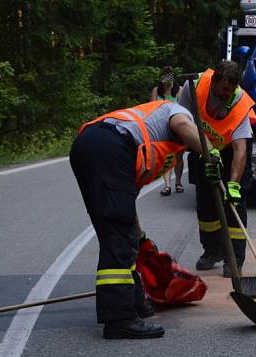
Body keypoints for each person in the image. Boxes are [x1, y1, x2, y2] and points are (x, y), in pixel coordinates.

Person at [69, 98, 221, 339]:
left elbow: (127, 202)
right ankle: (119, 319)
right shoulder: (179, 112)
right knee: (118, 235)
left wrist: (139, 237)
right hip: (109, 146)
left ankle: (133, 302)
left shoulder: (152, 143)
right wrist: (211, 154)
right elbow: (182, 123)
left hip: (89, 146)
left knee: (117, 230)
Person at [177, 60, 255, 277]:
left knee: (234, 205)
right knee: (205, 204)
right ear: (213, 81)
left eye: (230, 90)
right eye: (222, 89)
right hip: (201, 146)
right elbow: (180, 120)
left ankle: (234, 260)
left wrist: (233, 184)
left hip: (230, 150)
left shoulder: (239, 104)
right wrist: (204, 152)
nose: (226, 94)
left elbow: (241, 150)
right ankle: (212, 252)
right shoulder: (193, 87)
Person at [152, 67, 185, 196]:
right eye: (165, 77)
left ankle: (178, 182)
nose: (167, 81)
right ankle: (167, 186)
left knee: (179, 156)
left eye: (170, 77)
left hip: (177, 128)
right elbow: (151, 108)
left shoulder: (179, 90)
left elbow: (183, 108)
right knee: (166, 156)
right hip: (162, 128)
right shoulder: (156, 91)